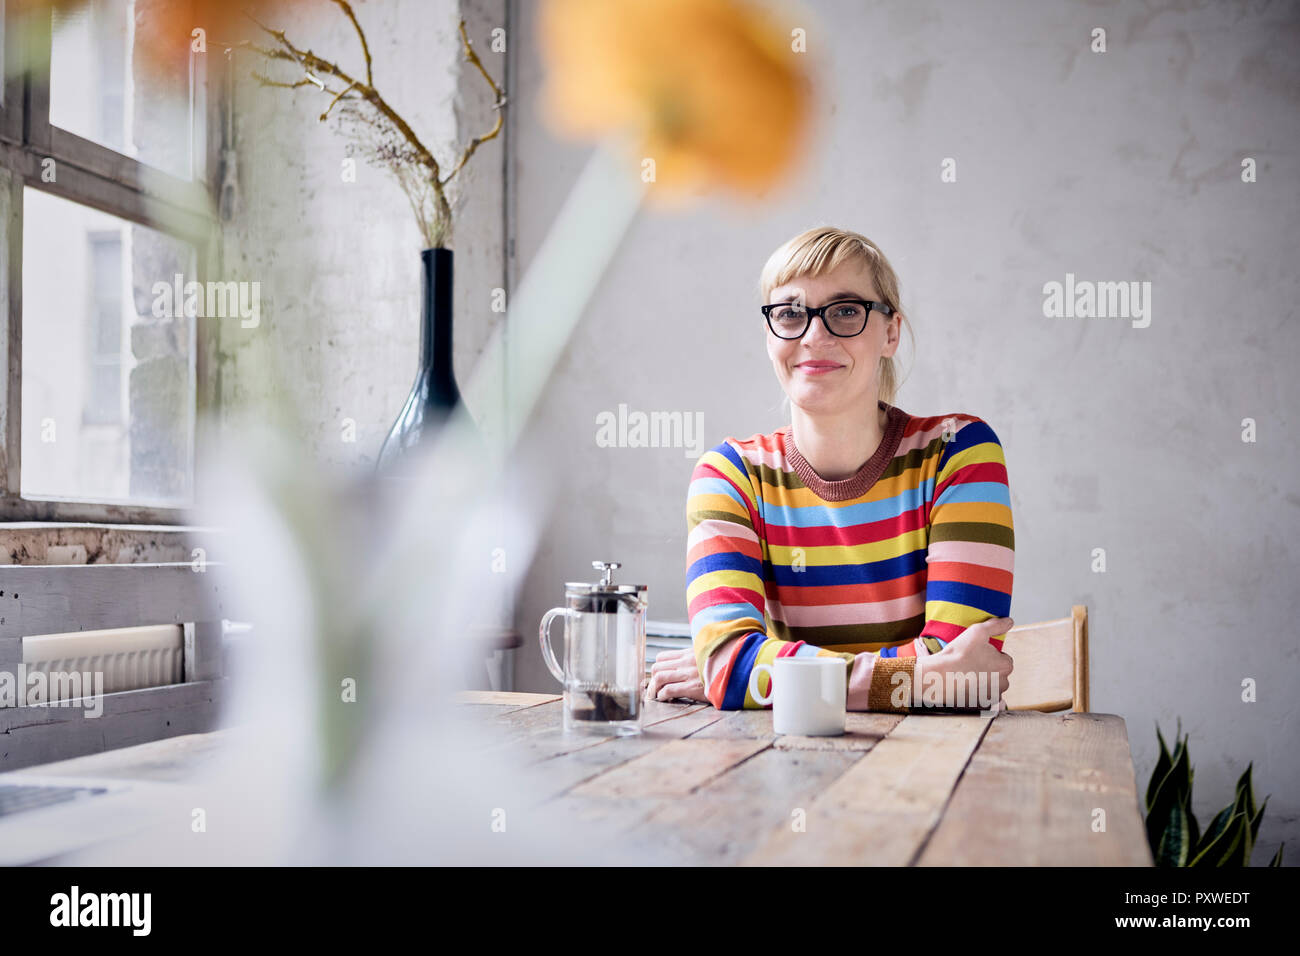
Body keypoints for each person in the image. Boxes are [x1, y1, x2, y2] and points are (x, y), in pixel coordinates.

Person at [644, 225, 1015, 712]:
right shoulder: (730, 475)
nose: (814, 335)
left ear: (891, 332)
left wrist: (759, 674)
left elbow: (961, 674)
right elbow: (731, 664)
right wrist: (921, 678)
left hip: (941, 768)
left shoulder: (958, 452)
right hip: (782, 767)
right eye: (790, 313)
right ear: (769, 333)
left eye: (845, 311)